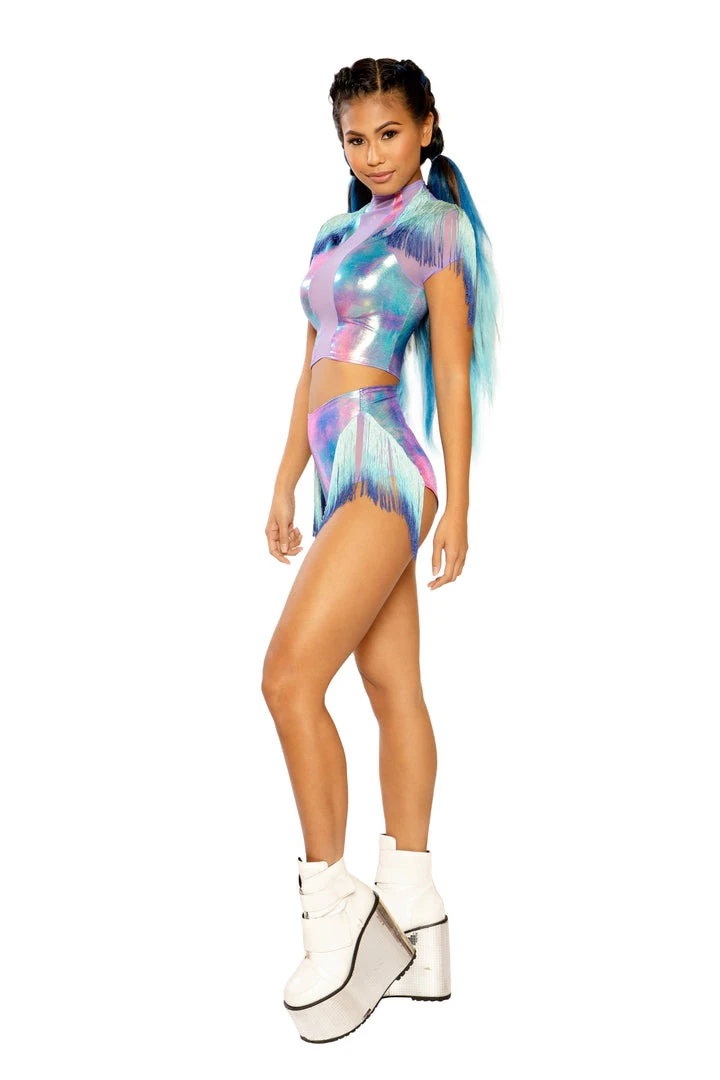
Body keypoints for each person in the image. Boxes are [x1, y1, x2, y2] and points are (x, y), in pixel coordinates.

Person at [261, 56, 499, 1043]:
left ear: (427, 127)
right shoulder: (334, 234)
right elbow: (310, 365)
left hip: (384, 461)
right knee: (392, 686)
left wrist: (460, 506)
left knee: (287, 680)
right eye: (356, 138)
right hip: (332, 468)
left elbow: (452, 366)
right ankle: (415, 909)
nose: (373, 153)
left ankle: (338, 915)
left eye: (389, 133)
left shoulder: (436, 228)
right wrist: (284, 481)